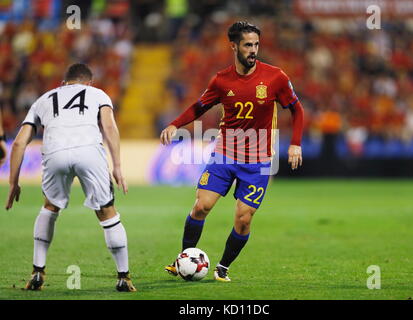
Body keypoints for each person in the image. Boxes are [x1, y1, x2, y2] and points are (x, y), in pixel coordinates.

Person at [160, 21, 304, 281]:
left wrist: (295, 143)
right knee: (201, 206)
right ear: (234, 46)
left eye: (256, 45)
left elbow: (297, 108)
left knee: (243, 218)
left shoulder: (276, 77)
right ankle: (184, 259)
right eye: (248, 45)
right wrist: (174, 124)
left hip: (258, 161)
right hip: (225, 154)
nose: (253, 50)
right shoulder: (221, 80)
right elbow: (198, 107)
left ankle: (223, 266)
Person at [5, 63, 136, 292]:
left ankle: (37, 272)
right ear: (89, 83)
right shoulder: (98, 94)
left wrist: (13, 183)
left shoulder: (43, 99)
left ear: (64, 83)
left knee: (50, 207)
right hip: (89, 152)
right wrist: (117, 166)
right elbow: (109, 127)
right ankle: (124, 277)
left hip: (54, 152)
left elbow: (18, 143)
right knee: (107, 212)